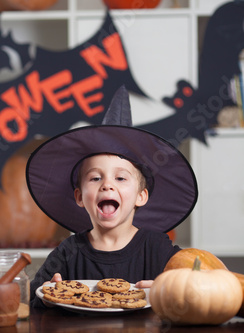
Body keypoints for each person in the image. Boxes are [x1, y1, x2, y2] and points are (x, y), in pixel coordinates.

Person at [25, 86, 198, 307]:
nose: (107, 185)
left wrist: (168, 290)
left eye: (121, 178)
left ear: (141, 196)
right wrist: (46, 298)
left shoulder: (158, 248)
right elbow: (29, 303)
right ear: (79, 197)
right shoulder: (68, 251)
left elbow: (197, 287)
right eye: (95, 178)